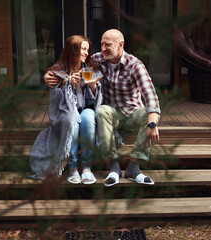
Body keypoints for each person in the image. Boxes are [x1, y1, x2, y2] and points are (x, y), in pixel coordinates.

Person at [44, 29, 161, 187]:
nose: (103, 48)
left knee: (147, 116)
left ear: (121, 45)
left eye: (108, 45)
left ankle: (134, 166)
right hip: (111, 113)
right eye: (101, 44)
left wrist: (152, 124)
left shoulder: (135, 65)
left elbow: (150, 95)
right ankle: (114, 166)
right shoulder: (98, 59)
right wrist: (49, 75)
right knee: (101, 111)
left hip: (133, 112)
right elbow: (73, 60)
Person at [29, 35, 102, 185]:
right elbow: (55, 102)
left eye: (87, 50)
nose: (86, 53)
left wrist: (92, 86)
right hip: (66, 112)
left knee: (88, 117)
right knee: (70, 119)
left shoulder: (90, 69)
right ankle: (73, 167)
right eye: (82, 49)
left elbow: (95, 100)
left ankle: (87, 167)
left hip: (85, 109)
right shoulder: (56, 72)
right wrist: (68, 83)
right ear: (72, 50)